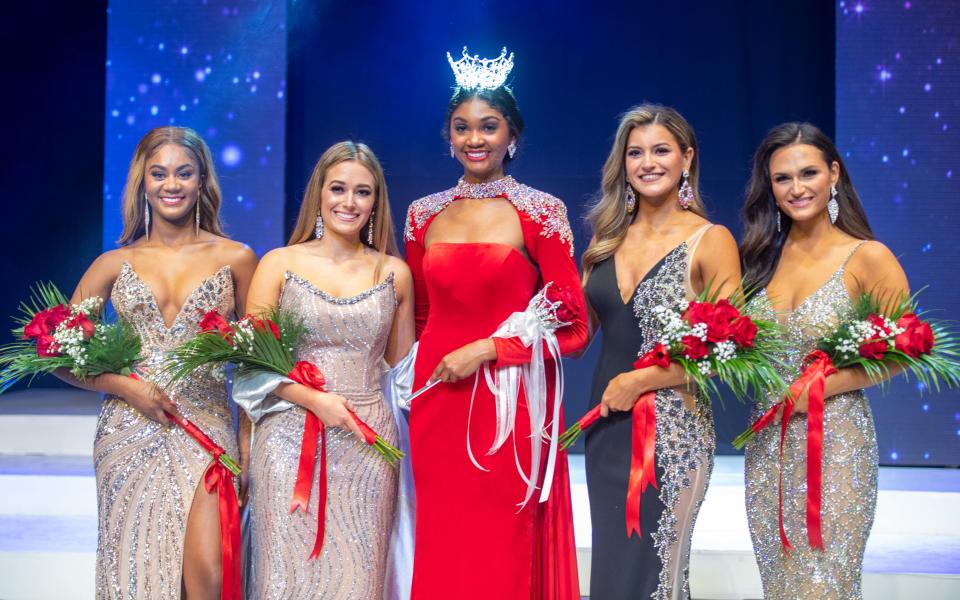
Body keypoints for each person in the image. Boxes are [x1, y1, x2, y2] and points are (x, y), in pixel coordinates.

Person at [403, 48, 587, 599]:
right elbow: (419, 318)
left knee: (500, 541)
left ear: (513, 135)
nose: (474, 139)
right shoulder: (421, 214)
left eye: (488, 126)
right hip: (436, 397)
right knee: (443, 539)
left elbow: (573, 328)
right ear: (448, 136)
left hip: (508, 404)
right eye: (462, 128)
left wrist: (488, 350)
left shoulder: (540, 212)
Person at [63, 126, 257, 599]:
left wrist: (250, 451)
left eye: (184, 173)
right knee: (135, 574)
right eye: (160, 173)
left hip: (207, 428)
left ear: (202, 181)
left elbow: (258, 368)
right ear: (143, 183)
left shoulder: (236, 258)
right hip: (128, 432)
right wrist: (126, 386)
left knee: (210, 572)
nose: (172, 184)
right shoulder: (113, 262)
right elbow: (57, 357)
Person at [739, 122, 908, 599]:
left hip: (835, 443)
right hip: (768, 442)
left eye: (808, 172)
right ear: (769, 188)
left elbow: (906, 352)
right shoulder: (758, 259)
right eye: (782, 178)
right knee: (779, 581)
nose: (797, 188)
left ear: (833, 174)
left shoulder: (867, 256)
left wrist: (821, 387)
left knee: (824, 582)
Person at [240, 141, 415, 599]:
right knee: (285, 578)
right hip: (287, 438)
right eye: (338, 188)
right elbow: (250, 362)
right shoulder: (278, 263)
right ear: (319, 193)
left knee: (359, 577)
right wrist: (313, 399)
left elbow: (404, 375)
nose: (349, 202)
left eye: (363, 192)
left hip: (368, 443)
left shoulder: (394, 272)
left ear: (376, 202)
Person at [580, 104, 741, 599]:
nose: (648, 162)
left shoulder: (710, 240)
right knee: (611, 564)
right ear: (622, 163)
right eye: (635, 153)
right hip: (607, 426)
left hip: (673, 431)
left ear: (687, 158)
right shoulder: (605, 241)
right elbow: (576, 331)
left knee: (657, 571)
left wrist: (642, 380)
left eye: (661, 150)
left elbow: (731, 345)